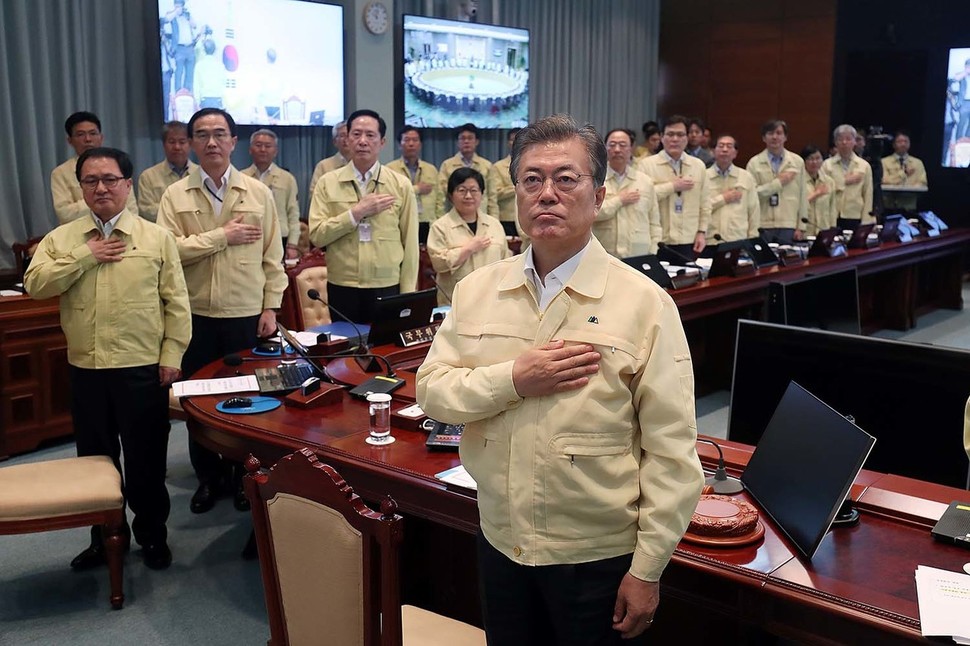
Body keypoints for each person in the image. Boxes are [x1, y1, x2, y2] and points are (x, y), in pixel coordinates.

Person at [416, 114, 704, 644]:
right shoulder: (478, 289)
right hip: (501, 540)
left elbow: (671, 451)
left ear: (598, 197)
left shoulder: (645, 304)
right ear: (517, 194)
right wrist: (513, 379)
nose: (546, 193)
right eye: (531, 179)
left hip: (596, 555)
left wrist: (647, 569)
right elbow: (432, 391)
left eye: (566, 179)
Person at [24, 147, 191, 571]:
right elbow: (36, 285)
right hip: (87, 370)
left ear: (128, 185)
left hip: (141, 370)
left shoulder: (156, 238)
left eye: (110, 179)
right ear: (80, 187)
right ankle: (102, 540)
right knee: (95, 461)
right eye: (91, 181)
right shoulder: (63, 239)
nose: (101, 188)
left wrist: (172, 355)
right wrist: (86, 256)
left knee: (146, 461)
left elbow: (176, 303)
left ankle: (152, 536)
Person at [156, 108, 286, 514]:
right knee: (198, 402)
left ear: (233, 141)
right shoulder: (175, 195)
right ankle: (208, 479)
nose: (211, 142)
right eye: (202, 135)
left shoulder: (258, 192)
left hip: (246, 313)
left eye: (219, 134)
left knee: (249, 399)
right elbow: (168, 252)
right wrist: (221, 237)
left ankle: (245, 477)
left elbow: (273, 255)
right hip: (194, 314)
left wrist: (271, 306)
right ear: (192, 143)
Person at [307, 109, 418, 323]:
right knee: (347, 349)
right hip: (343, 285)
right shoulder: (327, 182)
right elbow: (317, 235)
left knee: (385, 351)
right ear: (347, 139)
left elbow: (410, 244)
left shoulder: (400, 185)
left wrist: (407, 293)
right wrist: (355, 213)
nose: (363, 141)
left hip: (387, 285)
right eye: (356, 134)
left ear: (382, 142)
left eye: (370, 135)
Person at [426, 168, 509, 305]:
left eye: (474, 190)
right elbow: (438, 264)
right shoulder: (440, 227)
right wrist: (467, 249)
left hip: (492, 300)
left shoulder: (494, 225)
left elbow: (506, 261)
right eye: (462, 190)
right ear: (451, 196)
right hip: (455, 302)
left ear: (482, 194)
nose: (468, 196)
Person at [640, 115, 711, 257]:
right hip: (659, 240)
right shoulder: (646, 165)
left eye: (680, 135)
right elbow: (642, 199)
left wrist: (702, 232)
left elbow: (705, 204)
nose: (675, 139)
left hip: (689, 239)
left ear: (687, 138)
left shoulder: (698, 166)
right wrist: (672, 186)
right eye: (670, 134)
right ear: (661, 137)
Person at [51, 111, 137, 224]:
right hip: (79, 234)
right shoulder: (60, 173)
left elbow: (132, 209)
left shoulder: (117, 166)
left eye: (93, 133)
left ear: (101, 137)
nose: (88, 139)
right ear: (70, 141)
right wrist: (108, 202)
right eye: (80, 134)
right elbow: (65, 214)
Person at [594, 128, 661, 257]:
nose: (617, 149)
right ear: (605, 148)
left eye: (623, 145)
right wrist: (619, 200)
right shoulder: (595, 179)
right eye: (612, 145)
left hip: (639, 255)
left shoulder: (645, 181)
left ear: (631, 148)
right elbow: (590, 214)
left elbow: (654, 222)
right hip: (605, 254)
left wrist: (653, 251)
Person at [242, 129, 301, 260]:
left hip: (279, 237)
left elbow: (293, 213)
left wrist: (292, 245)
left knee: (276, 278)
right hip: (249, 237)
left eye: (268, 146)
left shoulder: (287, 178)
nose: (263, 149)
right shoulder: (241, 177)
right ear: (250, 149)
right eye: (258, 145)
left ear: (275, 151)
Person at [745, 119, 808, 242]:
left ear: (785, 137)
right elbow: (751, 195)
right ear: (764, 138)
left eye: (779, 133)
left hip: (788, 224)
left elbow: (803, 196)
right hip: (763, 224)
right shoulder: (754, 163)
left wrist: (801, 226)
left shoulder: (797, 162)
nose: (775, 137)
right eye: (770, 133)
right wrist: (778, 183)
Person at [137, 121, 196, 222]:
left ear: (190, 144)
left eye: (182, 142)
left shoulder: (201, 173)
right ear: (164, 144)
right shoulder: (148, 176)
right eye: (172, 142)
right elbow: (145, 211)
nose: (177, 147)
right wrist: (183, 212)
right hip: (160, 233)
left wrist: (168, 209)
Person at [706, 135, 760, 242]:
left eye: (729, 146)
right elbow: (698, 208)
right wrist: (723, 198)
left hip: (737, 238)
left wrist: (753, 238)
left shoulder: (746, 177)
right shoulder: (704, 176)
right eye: (721, 146)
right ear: (713, 151)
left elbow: (754, 210)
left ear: (735, 153)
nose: (725, 150)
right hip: (710, 239)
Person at [385, 126, 440, 228]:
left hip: (428, 223)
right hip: (401, 222)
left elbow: (440, 200)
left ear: (420, 144)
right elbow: (390, 197)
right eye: (406, 140)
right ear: (399, 145)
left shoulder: (431, 169)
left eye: (415, 140)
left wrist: (439, 222)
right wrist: (417, 189)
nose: (411, 144)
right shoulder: (390, 169)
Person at [822, 124, 874, 225]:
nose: (844, 142)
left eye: (848, 139)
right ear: (835, 142)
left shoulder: (864, 165)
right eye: (840, 139)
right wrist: (844, 181)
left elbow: (868, 194)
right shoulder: (826, 165)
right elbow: (824, 190)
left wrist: (867, 220)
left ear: (855, 142)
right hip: (832, 215)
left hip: (855, 215)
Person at [437, 123, 493, 217]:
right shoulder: (447, 165)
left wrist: (493, 221)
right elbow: (440, 196)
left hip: (481, 217)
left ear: (477, 141)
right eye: (462, 138)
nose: (466, 141)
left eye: (470, 138)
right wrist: (440, 218)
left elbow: (492, 198)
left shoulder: (487, 166)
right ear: (457, 142)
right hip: (454, 217)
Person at [881, 130, 927, 211]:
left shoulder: (917, 163)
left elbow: (922, 183)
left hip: (909, 205)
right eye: (899, 141)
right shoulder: (884, 162)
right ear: (894, 144)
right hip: (889, 205)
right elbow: (884, 181)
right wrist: (903, 174)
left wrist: (910, 188)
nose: (903, 144)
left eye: (906, 141)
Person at [162, 0, 198, 92]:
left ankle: (188, 94)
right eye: (177, 6)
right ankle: (178, 94)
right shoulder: (172, 15)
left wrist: (188, 17)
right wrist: (175, 12)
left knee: (189, 74)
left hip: (190, 47)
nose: (179, 8)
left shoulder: (187, 15)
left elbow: (194, 26)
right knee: (179, 73)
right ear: (174, 5)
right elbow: (166, 19)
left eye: (180, 6)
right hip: (179, 48)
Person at [801, 145, 836, 235]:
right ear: (803, 161)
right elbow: (796, 206)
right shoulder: (798, 181)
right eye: (810, 159)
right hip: (805, 231)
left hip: (823, 230)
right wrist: (816, 193)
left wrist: (832, 229)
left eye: (818, 158)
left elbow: (832, 209)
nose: (814, 162)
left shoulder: (829, 181)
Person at [487, 129, 520, 223]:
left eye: (519, 139)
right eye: (512, 139)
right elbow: (496, 193)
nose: (516, 143)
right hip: (506, 218)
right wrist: (519, 187)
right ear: (508, 143)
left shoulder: (532, 165)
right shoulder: (498, 166)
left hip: (528, 216)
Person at [309, 121, 350, 194]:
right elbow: (314, 194)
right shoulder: (323, 166)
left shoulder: (362, 164)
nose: (346, 139)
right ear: (334, 141)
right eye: (342, 135)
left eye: (349, 135)